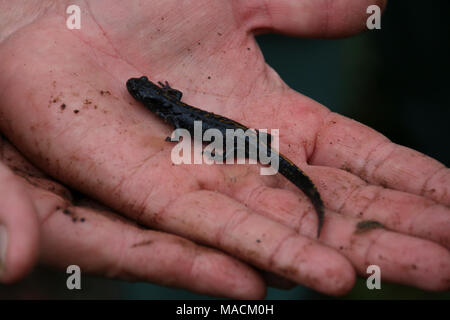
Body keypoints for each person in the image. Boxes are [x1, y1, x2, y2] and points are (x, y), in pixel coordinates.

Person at [0, 0, 448, 299]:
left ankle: (308, 205)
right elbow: (175, 107)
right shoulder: (169, 105)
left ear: (148, 99)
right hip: (229, 128)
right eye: (139, 92)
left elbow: (183, 124)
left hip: (231, 133)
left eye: (139, 92)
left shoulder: (170, 112)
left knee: (234, 146)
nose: (135, 93)